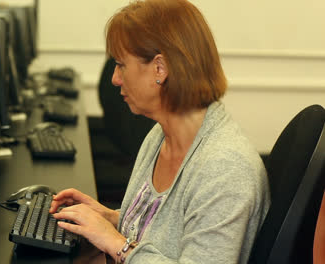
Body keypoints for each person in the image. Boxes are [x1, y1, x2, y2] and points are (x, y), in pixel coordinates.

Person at [50, 0, 270, 263]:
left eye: (121, 65)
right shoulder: (160, 135)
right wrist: (109, 218)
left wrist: (116, 243)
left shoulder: (225, 169)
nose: (115, 79)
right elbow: (169, 230)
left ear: (160, 69)